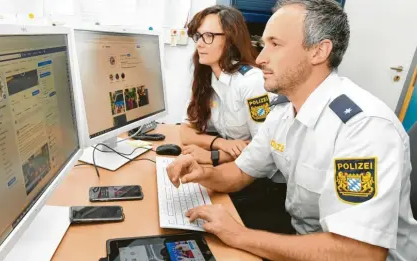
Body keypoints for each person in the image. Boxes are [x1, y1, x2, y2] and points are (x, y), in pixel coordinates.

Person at [167, 0, 417, 260]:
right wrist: (204, 174)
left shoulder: (363, 127)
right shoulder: (283, 111)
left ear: (319, 52)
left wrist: (239, 235)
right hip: (306, 239)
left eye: (275, 44)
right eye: (263, 45)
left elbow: (359, 253)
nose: (261, 58)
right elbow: (241, 171)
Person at [180, 5, 276, 166]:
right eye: (198, 36)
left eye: (209, 36)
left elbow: (265, 148)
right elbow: (185, 132)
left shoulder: (251, 82)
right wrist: (220, 144)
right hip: (234, 164)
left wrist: (214, 156)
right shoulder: (206, 77)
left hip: (261, 176)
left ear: (230, 40)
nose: (200, 44)